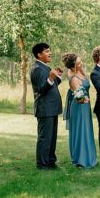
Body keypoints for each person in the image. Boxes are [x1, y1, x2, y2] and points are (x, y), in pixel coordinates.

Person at [30, 42, 63, 170]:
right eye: (47, 51)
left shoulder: (45, 67)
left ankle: (50, 161)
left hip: (52, 109)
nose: (50, 53)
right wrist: (50, 78)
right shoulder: (37, 69)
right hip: (45, 109)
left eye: (50, 51)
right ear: (39, 54)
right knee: (45, 138)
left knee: (52, 137)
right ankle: (42, 165)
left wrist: (57, 76)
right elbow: (41, 90)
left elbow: (52, 85)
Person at [62, 52, 97, 169]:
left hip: (85, 106)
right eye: (78, 63)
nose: (81, 63)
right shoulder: (73, 77)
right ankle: (80, 159)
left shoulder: (79, 71)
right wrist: (84, 99)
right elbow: (78, 97)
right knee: (80, 130)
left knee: (86, 129)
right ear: (72, 66)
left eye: (80, 61)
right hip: (79, 106)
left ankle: (88, 155)